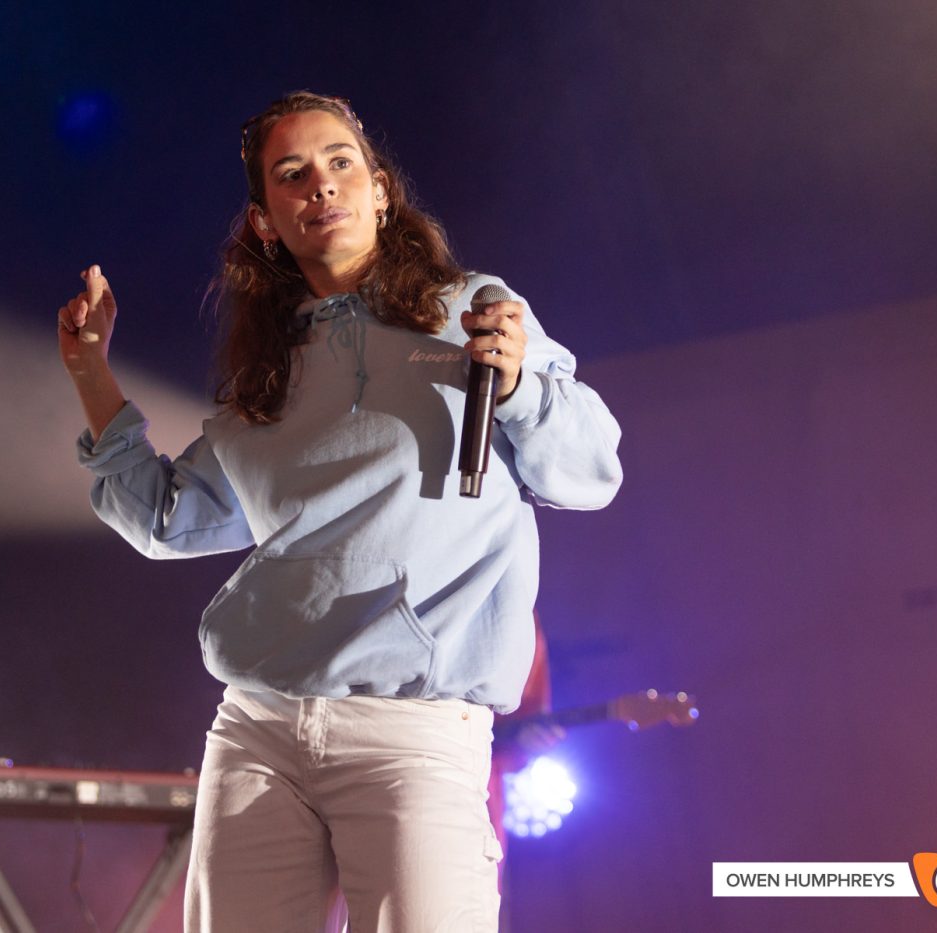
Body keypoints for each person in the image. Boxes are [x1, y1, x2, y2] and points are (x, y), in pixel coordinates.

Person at [56, 91, 622, 933]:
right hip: (258, 732)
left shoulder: (471, 309)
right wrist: (91, 371)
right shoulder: (267, 380)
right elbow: (166, 518)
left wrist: (516, 386)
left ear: (380, 190)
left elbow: (591, 471)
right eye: (293, 174)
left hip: (414, 734)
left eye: (339, 162)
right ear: (265, 222)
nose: (319, 184)